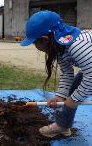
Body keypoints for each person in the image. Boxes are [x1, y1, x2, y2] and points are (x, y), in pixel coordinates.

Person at [21, 10, 92, 138]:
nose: (34, 45)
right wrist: (61, 96)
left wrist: (74, 99)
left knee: (75, 96)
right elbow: (67, 72)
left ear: (44, 39)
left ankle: (62, 125)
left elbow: (91, 77)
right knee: (72, 91)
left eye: (34, 42)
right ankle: (63, 126)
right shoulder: (61, 47)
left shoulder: (77, 45)